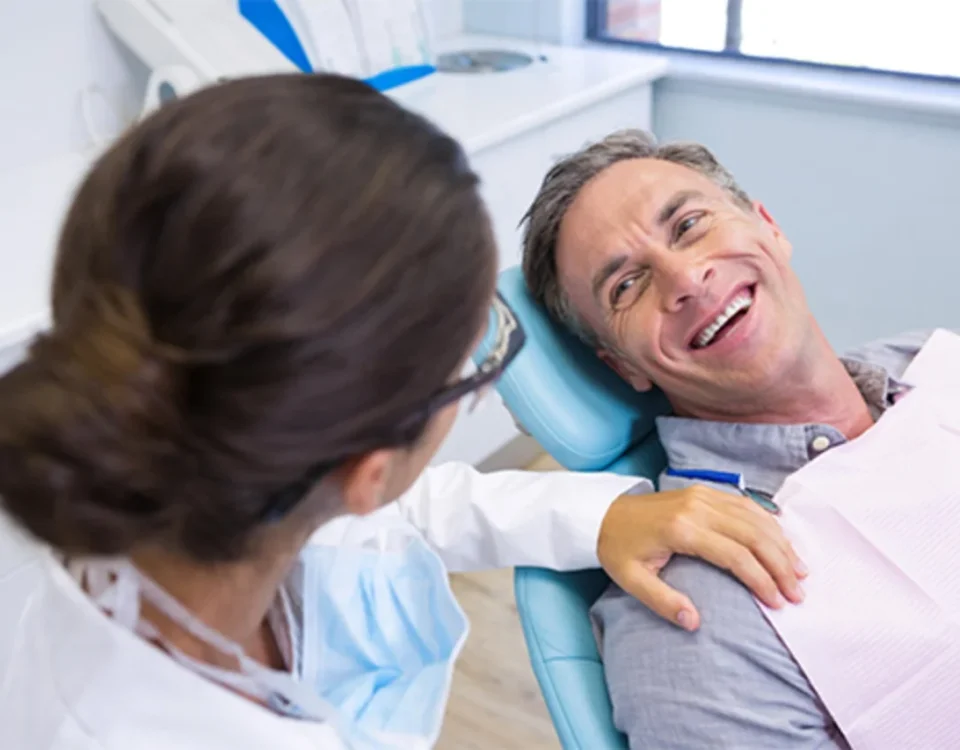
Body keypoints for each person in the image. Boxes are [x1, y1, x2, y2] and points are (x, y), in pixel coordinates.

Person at [0, 78, 802, 750]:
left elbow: (413, 512)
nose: (489, 387)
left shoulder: (218, 487)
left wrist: (603, 516)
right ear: (365, 467)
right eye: (477, 358)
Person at [522, 129, 930, 750]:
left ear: (768, 227)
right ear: (622, 366)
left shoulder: (929, 362)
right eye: (626, 286)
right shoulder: (694, 621)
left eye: (688, 225)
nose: (685, 277)